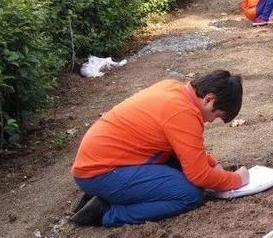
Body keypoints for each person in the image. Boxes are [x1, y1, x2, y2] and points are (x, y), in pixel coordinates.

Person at [69, 71, 249, 227]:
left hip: (103, 162)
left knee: (185, 173)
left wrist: (213, 164)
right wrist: (237, 180)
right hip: (100, 173)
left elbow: (186, 149)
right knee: (189, 194)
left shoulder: (173, 89)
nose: (210, 121)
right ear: (209, 99)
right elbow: (199, 174)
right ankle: (106, 212)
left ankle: (109, 196)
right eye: (216, 116)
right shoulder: (183, 113)